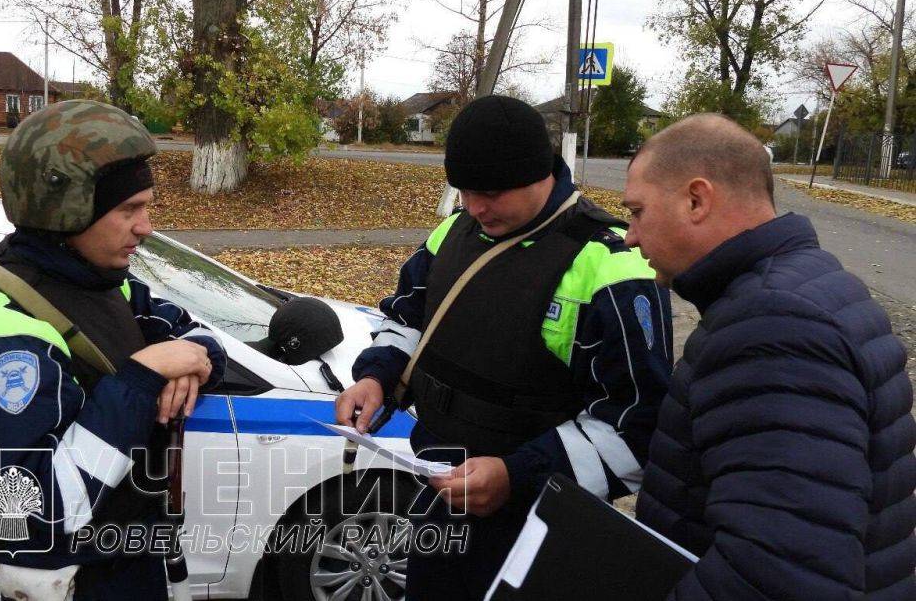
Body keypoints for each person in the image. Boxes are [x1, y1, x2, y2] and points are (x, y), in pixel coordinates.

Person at [335, 95, 673, 600]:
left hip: (538, 523)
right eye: (465, 191)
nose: (474, 207)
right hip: (441, 491)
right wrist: (376, 376)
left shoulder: (612, 265)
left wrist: (517, 475)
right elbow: (408, 319)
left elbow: (636, 427)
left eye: (489, 192)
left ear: (539, 174)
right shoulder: (454, 232)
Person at [0, 100, 228, 600]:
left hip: (136, 560)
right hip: (72, 582)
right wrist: (143, 375)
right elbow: (38, 510)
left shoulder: (106, 287)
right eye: (129, 210)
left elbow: (198, 339)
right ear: (66, 210)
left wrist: (190, 359)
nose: (146, 226)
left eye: (147, 206)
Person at [624, 113, 916, 599]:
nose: (631, 236)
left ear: (697, 199)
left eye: (638, 212)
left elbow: (779, 575)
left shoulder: (770, 325)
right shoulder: (804, 283)